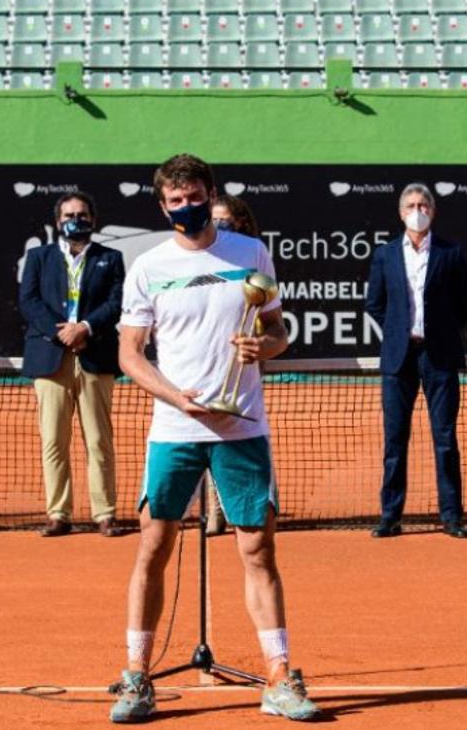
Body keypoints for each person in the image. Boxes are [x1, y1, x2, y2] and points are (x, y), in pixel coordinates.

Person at [108, 154, 319, 723]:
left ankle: (278, 677)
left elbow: (276, 330)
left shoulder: (251, 253)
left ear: (210, 193)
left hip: (242, 424)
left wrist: (265, 348)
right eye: (174, 202)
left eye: (194, 196)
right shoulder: (148, 267)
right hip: (175, 428)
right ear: (163, 206)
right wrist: (174, 397)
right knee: (154, 545)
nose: (186, 207)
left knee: (257, 548)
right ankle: (136, 675)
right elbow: (129, 353)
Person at [364, 183, 467, 540]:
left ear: (433, 211)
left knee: (445, 439)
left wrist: (440, 331)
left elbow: (465, 304)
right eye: (411, 205)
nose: (417, 210)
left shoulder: (451, 253)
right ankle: (390, 515)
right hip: (399, 357)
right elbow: (375, 303)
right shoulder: (385, 255)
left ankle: (452, 516)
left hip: (439, 356)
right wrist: (397, 331)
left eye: (423, 204)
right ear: (401, 213)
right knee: (395, 440)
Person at [18, 191, 126, 538]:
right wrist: (61, 332)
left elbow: (116, 301)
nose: (75, 220)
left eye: (81, 214)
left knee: (98, 440)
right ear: (57, 221)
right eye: (68, 215)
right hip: (51, 357)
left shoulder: (111, 258)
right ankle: (58, 513)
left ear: (93, 221)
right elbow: (29, 301)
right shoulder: (38, 257)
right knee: (53, 440)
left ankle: (105, 513)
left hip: (95, 356)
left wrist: (85, 328)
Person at [202, 193, 262, 536]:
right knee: (209, 434)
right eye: (215, 218)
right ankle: (216, 511)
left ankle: (256, 502)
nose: (220, 224)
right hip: (210, 357)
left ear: (239, 221)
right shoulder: (202, 255)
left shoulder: (253, 253)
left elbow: (267, 307)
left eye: (225, 218)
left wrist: (254, 343)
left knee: (246, 434)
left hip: (245, 358)